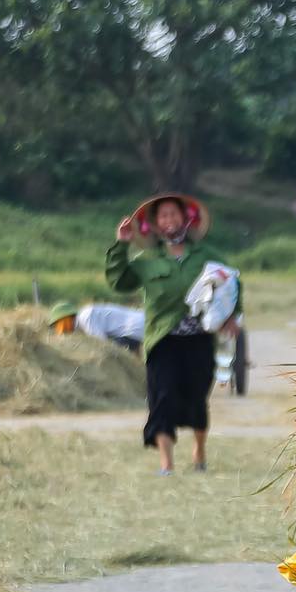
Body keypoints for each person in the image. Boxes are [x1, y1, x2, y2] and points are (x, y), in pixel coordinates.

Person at [104, 194, 241, 475]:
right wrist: (122, 245)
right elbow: (118, 281)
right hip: (162, 340)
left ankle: (199, 453)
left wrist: (232, 315)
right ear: (154, 225)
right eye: (163, 216)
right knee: (161, 398)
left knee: (197, 397)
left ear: (186, 219)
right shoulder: (147, 261)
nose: (169, 221)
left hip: (199, 339)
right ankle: (166, 464)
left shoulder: (207, 257)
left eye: (174, 215)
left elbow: (232, 283)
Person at [46, 299, 144, 353]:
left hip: (133, 329)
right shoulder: (85, 316)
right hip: (140, 325)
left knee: (114, 354)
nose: (59, 329)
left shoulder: (86, 317)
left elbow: (100, 344)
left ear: (66, 318)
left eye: (58, 324)